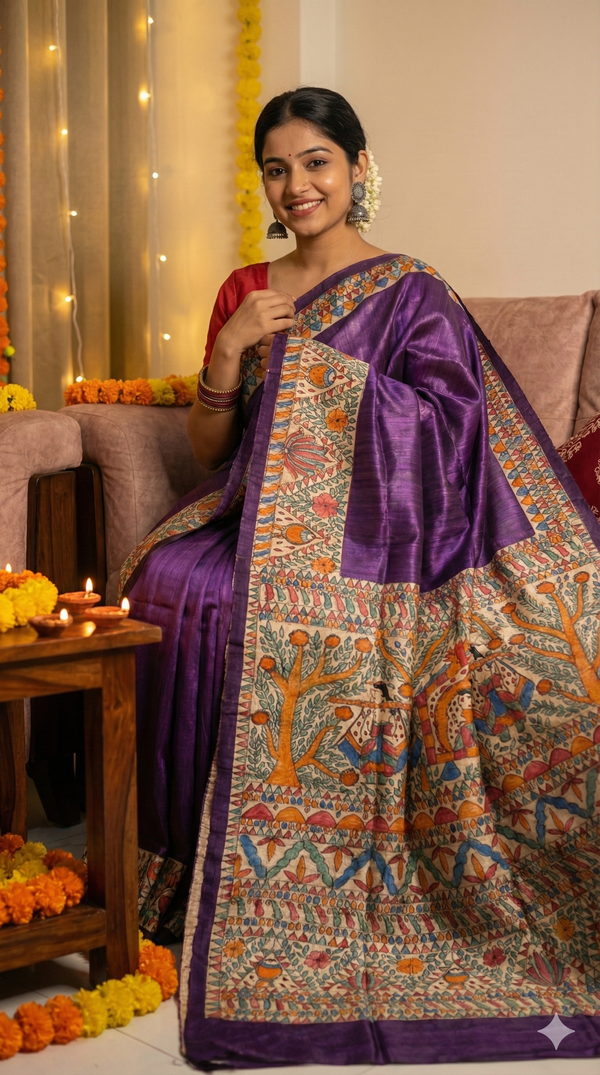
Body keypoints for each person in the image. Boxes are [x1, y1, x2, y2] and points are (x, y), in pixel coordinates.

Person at [122, 88, 600, 1067]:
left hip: (390, 545)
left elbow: (449, 427)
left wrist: (322, 383)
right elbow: (211, 443)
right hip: (252, 523)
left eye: (317, 162)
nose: (297, 185)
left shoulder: (411, 288)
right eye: (277, 168)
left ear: (358, 168)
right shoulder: (246, 287)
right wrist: (230, 349)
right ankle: (174, 871)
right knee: (168, 576)